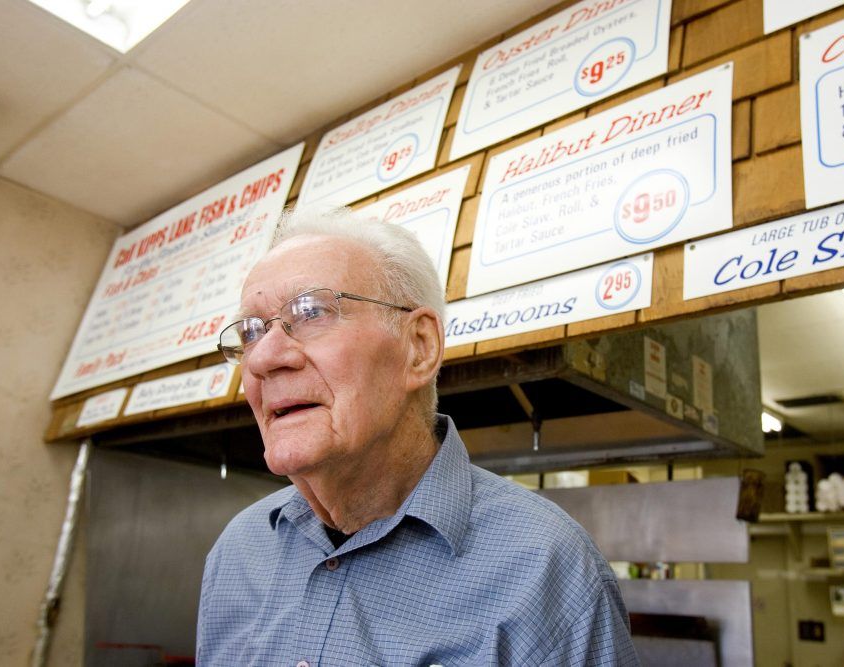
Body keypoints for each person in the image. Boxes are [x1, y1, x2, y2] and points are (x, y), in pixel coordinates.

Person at [197, 207, 639, 665]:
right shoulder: (237, 553)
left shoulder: (548, 569)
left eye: (311, 311)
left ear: (420, 346)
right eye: (250, 332)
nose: (262, 359)